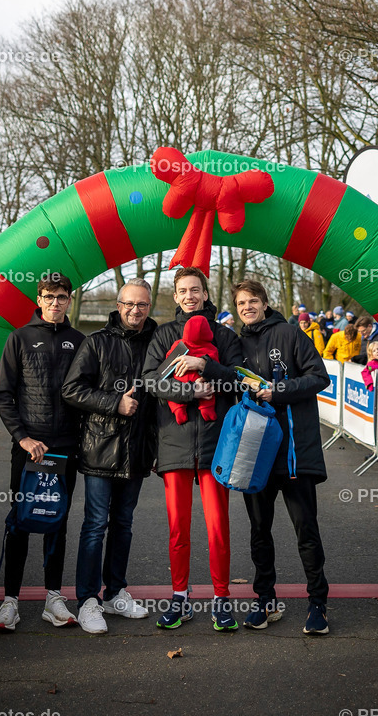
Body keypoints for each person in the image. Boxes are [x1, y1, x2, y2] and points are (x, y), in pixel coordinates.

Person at [142, 266, 244, 632]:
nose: (190, 296)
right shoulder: (164, 334)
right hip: (174, 444)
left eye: (196, 290)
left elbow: (240, 379)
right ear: (175, 296)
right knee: (177, 530)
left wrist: (206, 366)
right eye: (183, 290)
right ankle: (180, 599)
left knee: (218, 528)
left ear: (205, 293)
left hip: (217, 445)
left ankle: (221, 600)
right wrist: (190, 391)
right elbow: (150, 382)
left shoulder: (224, 335)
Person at [233, 279, 331, 635]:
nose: (247, 307)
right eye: (241, 302)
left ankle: (318, 603)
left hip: (292, 454)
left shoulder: (290, 334)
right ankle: (265, 601)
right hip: (254, 454)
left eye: (252, 300)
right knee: (259, 532)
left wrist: (280, 390)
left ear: (264, 302)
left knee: (305, 530)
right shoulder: (236, 343)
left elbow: (320, 377)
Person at [61, 279, 157, 634]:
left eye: (142, 305)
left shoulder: (156, 343)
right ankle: (88, 600)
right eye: (129, 304)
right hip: (100, 450)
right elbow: (72, 389)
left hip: (137, 453)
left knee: (124, 525)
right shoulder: (97, 342)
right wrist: (114, 403)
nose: (136, 310)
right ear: (118, 306)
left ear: (150, 306)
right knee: (95, 525)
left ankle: (116, 592)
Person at [0, 272, 84, 633]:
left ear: (69, 300)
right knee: (21, 520)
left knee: (56, 521)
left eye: (62, 296)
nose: (55, 302)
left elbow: (86, 391)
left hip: (65, 451)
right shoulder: (20, 338)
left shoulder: (79, 341)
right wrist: (22, 438)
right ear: (39, 298)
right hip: (30, 450)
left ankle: (53, 598)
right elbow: (3, 393)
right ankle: (9, 602)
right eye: (49, 296)